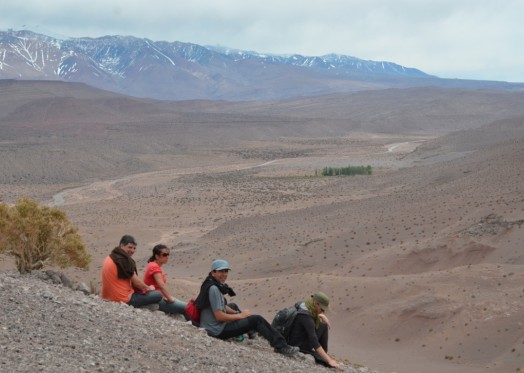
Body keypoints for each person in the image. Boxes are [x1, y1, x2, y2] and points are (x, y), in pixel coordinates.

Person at [194, 259, 299, 355]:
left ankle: (250, 330)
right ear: (213, 272)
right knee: (257, 319)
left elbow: (222, 306)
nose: (224, 274)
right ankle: (281, 346)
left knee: (233, 306)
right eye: (221, 271)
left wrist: (236, 313)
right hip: (216, 330)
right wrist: (241, 316)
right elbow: (219, 316)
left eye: (226, 271)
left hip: (210, 325)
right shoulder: (214, 289)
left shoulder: (211, 283)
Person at [101, 234, 162, 307]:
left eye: (134, 248)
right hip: (122, 299)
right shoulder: (123, 260)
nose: (132, 250)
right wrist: (149, 288)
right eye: (130, 247)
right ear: (122, 245)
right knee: (158, 295)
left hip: (107, 297)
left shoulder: (110, 257)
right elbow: (137, 283)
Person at [286, 292, 340, 369]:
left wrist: (319, 315)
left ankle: (323, 355)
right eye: (322, 309)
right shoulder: (305, 317)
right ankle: (323, 356)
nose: (323, 312)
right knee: (323, 325)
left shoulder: (305, 305)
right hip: (298, 345)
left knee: (323, 324)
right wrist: (329, 360)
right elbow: (314, 340)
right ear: (316, 303)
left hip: (296, 337)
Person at [143, 244, 188, 317]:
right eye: (164, 255)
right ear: (157, 256)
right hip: (157, 300)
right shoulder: (154, 267)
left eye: (168, 254)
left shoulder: (153, 265)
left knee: (187, 306)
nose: (167, 257)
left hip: (160, 297)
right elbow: (161, 285)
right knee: (188, 308)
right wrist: (170, 299)